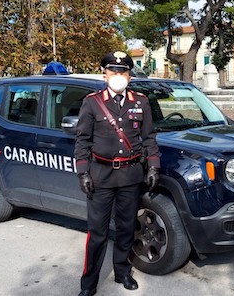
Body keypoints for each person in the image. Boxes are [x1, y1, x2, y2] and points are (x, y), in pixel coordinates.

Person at [74, 51, 160, 296]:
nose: (118, 75)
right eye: (114, 71)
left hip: (131, 176)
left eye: (123, 71)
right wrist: (83, 172)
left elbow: (149, 138)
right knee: (98, 234)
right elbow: (82, 140)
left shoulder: (140, 101)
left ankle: (122, 271)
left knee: (125, 228)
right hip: (100, 175)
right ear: (105, 74)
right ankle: (89, 284)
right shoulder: (92, 102)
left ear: (130, 76)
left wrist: (153, 165)